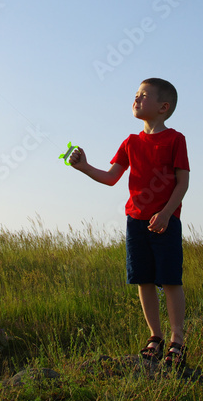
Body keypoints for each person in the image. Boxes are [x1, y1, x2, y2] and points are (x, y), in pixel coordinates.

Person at [68, 77, 190, 368]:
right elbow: (111, 178)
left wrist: (166, 213)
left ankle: (177, 340)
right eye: (136, 94)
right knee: (143, 279)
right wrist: (84, 166)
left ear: (163, 106)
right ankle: (155, 337)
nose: (136, 99)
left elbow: (182, 183)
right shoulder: (131, 142)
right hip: (135, 221)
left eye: (143, 95)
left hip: (165, 220)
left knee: (170, 280)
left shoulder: (175, 139)